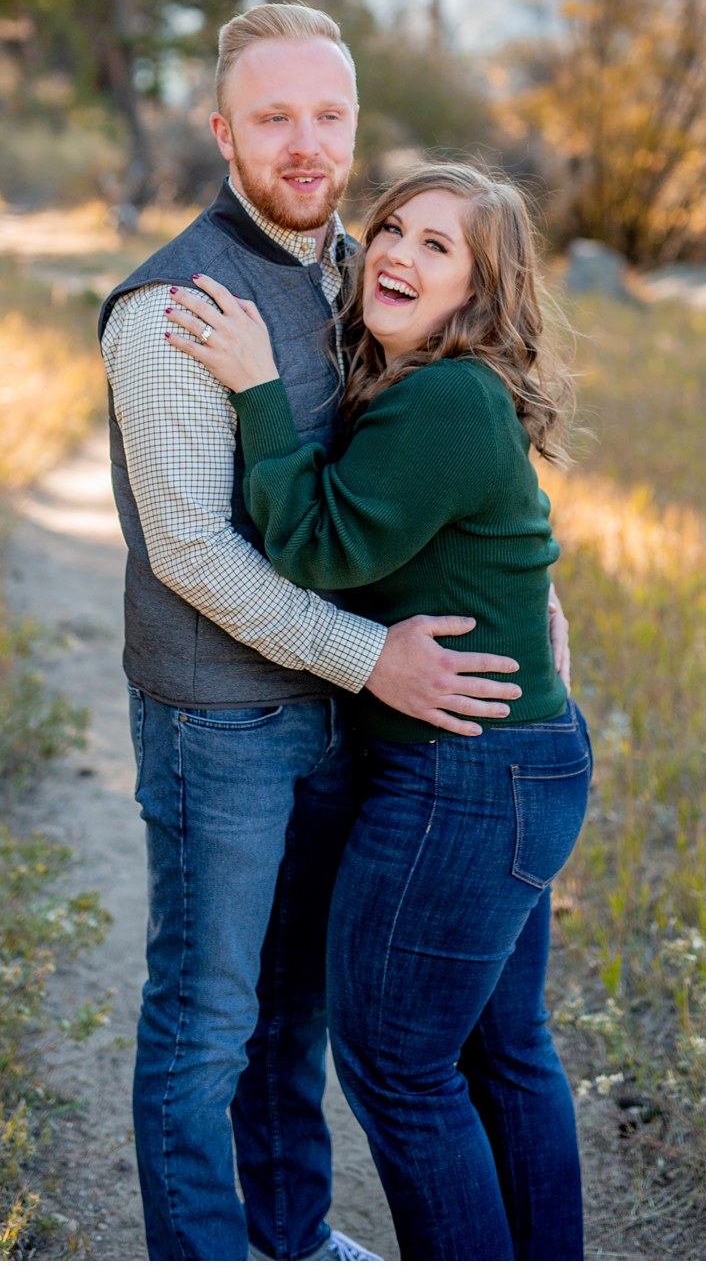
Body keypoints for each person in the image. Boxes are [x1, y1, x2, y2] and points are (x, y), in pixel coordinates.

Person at [99, 4, 542, 1262]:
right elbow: (188, 549)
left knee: (295, 1011)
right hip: (219, 720)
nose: (306, 143)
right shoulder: (171, 305)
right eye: (275, 115)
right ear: (224, 126)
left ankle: (289, 1235)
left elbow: (454, 436)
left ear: (355, 122)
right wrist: (371, 656)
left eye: (329, 114)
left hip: (344, 719)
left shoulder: (367, 266)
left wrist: (526, 584)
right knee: (205, 1018)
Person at [166, 160, 590, 1262]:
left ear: (482, 293)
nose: (396, 252)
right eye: (394, 225)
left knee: (401, 1068)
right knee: (504, 1049)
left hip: (468, 778)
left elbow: (315, 547)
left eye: (438, 246)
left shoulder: (446, 397)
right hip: (517, 764)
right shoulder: (430, 388)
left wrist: (258, 386)